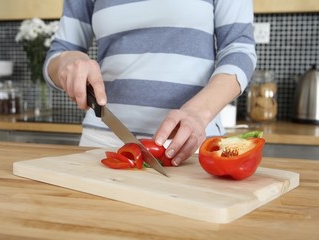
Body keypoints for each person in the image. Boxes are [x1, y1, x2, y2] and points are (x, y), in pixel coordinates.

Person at [43, 0, 257, 167]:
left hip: (190, 144)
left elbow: (239, 50)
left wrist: (198, 113)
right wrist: (66, 61)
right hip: (103, 141)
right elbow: (59, 52)